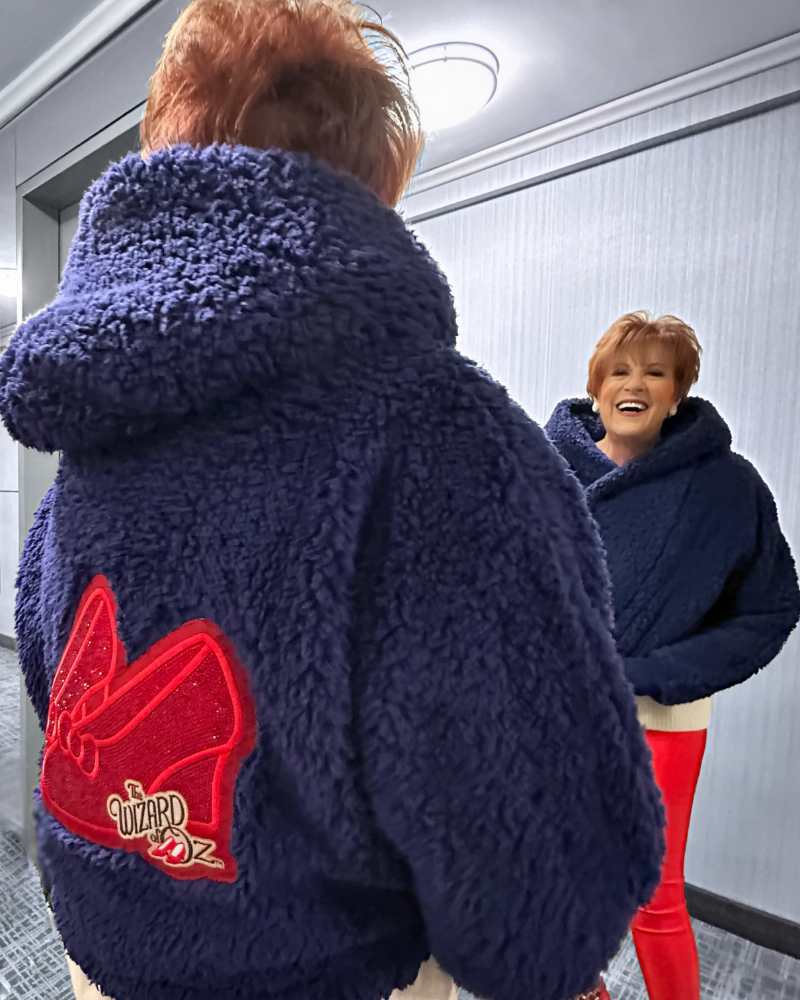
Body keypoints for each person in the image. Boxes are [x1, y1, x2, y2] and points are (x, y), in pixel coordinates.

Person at [0, 4, 664, 1000]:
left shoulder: (96, 426)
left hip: (96, 952)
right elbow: (537, 899)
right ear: (378, 185)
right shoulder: (438, 437)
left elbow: (53, 678)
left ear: (158, 151)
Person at [546, 311, 800, 1000]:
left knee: (651, 895)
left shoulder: (728, 487)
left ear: (678, 391)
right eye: (620, 371)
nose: (635, 385)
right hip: (552, 713)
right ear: (595, 387)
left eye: (656, 372)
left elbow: (772, 606)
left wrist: (657, 672)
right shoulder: (540, 473)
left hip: (661, 715)